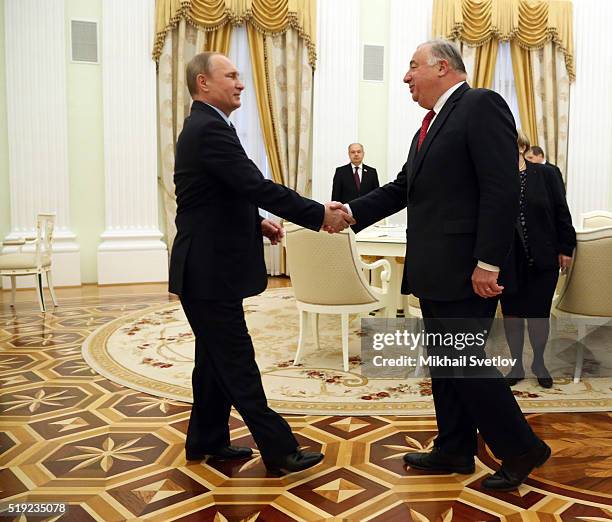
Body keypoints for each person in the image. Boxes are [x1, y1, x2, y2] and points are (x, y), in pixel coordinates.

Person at [346, 39, 550, 491]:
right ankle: (454, 448)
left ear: (442, 67)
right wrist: (350, 213)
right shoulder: (430, 125)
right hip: (437, 268)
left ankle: (521, 447)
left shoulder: (480, 105)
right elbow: (403, 188)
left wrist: (488, 262)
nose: (405, 77)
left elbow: (500, 189)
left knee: (464, 360)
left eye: (411, 66)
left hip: (466, 270)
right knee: (445, 359)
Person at [169, 52, 354, 475]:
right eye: (231, 76)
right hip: (208, 270)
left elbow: (218, 196)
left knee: (213, 360)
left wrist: (257, 223)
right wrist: (317, 214)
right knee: (236, 360)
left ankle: (206, 440)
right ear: (203, 83)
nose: (240, 83)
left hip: (206, 268)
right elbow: (254, 184)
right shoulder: (209, 129)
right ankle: (279, 448)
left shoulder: (209, 126)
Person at [501, 131, 576, 389]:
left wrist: (566, 247)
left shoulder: (547, 174)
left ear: (522, 147)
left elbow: (561, 211)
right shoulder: (494, 178)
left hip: (543, 255)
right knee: (511, 313)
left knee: (538, 314)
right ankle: (516, 364)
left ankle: (539, 362)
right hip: (507, 259)